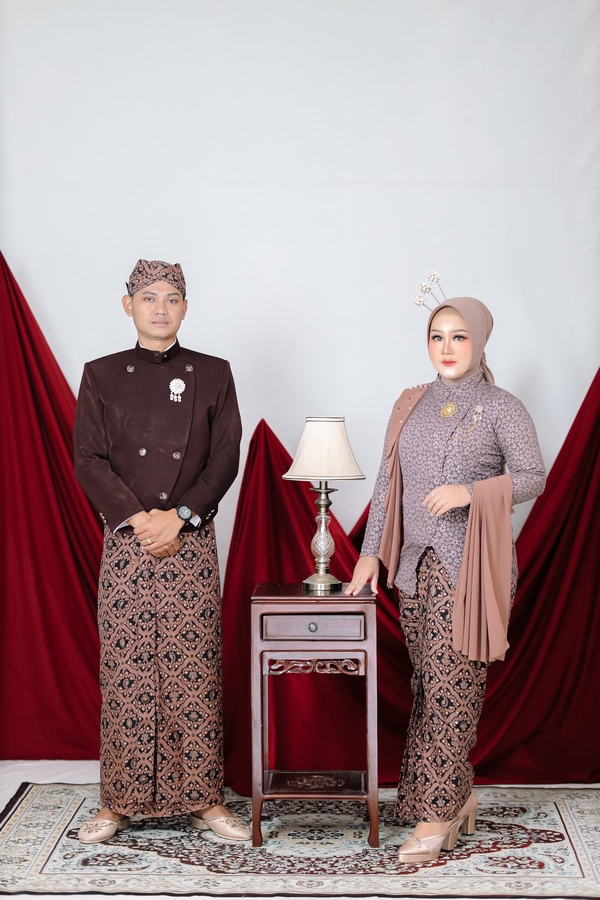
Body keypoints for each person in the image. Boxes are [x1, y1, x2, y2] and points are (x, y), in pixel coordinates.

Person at [346, 296, 545, 864]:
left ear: (479, 340)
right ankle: (451, 797)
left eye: (459, 336)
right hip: (415, 569)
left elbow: (534, 476)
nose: (447, 348)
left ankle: (435, 813)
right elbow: (387, 482)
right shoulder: (410, 402)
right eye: (437, 337)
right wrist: (369, 555)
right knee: (430, 687)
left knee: (453, 688)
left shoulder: (502, 407)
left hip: (473, 569)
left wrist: (471, 492)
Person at [73, 259, 250, 843]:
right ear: (128, 305)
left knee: (193, 667)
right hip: (127, 541)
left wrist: (180, 516)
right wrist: (138, 519)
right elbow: (88, 459)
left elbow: (225, 455)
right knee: (126, 669)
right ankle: (118, 801)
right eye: (148, 297)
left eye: (172, 297)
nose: (160, 308)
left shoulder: (214, 372)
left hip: (190, 541)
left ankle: (205, 799)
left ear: (186, 307)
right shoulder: (100, 375)